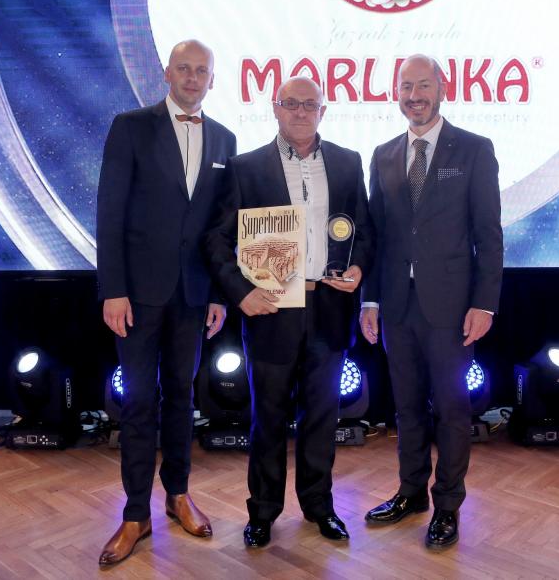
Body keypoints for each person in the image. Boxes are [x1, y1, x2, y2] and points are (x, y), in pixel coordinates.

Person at [204, 76, 374, 548]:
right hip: (271, 308)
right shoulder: (245, 167)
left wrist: (358, 267)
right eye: (291, 103)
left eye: (310, 104)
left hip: (329, 305)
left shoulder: (347, 162)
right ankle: (262, 512)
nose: (301, 112)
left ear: (324, 111)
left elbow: (364, 230)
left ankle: (320, 506)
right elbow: (217, 239)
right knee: (268, 417)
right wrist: (241, 292)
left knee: (322, 417)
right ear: (275, 109)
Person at [96, 39, 237, 567]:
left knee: (182, 397)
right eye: (184, 68)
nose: (192, 77)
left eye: (202, 70)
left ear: (212, 79)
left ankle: (178, 495)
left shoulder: (224, 138)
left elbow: (222, 228)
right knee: (138, 402)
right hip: (136, 294)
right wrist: (113, 289)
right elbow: (109, 212)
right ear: (167, 73)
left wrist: (218, 293)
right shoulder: (130, 127)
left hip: (194, 295)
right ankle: (135, 514)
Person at [360, 54, 503, 548]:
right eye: (406, 87)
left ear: (442, 90)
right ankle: (411, 493)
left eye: (423, 86)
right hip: (397, 306)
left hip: (451, 308)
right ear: (395, 94)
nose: (414, 96)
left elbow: (488, 234)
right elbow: (376, 237)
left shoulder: (475, 149)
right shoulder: (382, 154)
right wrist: (369, 301)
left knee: (452, 409)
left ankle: (447, 505)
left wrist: (484, 304)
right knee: (406, 408)